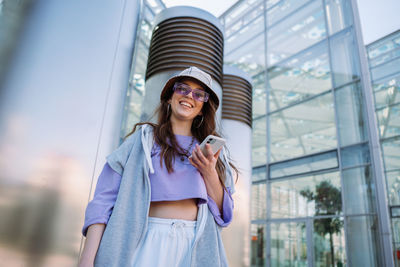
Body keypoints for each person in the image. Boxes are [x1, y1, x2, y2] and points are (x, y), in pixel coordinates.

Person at [78, 66, 238, 267]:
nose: (189, 96)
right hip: (143, 242)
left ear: (202, 109)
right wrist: (87, 259)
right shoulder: (141, 140)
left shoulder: (212, 152)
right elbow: (103, 201)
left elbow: (225, 215)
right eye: (182, 88)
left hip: (194, 246)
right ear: (169, 98)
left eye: (199, 94)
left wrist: (209, 172)